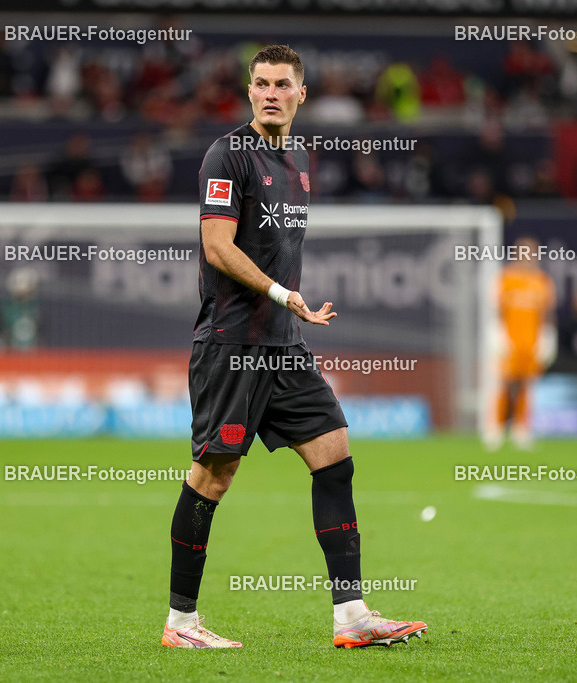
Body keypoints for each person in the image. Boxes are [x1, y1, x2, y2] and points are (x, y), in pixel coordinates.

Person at [162, 44, 427, 650]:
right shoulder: (226, 154)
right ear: (249, 92)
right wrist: (284, 294)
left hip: (284, 346)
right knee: (213, 475)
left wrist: (288, 312)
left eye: (283, 84)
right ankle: (181, 624)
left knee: (334, 453)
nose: (272, 93)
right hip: (232, 346)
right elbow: (217, 247)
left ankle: (352, 616)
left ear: (301, 94)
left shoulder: (300, 160)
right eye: (261, 84)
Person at [485, 236, 557, 451]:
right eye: (524, 251)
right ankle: (495, 428)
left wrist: (548, 336)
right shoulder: (505, 278)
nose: (528, 256)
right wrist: (497, 334)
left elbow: (547, 312)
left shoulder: (542, 281)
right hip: (509, 340)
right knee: (505, 383)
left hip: (531, 341)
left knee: (527, 384)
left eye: (532, 252)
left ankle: (521, 429)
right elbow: (495, 309)